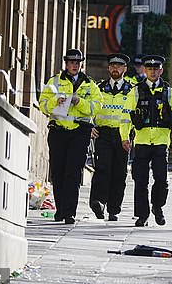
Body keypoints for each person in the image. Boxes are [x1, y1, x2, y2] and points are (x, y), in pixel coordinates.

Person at [38, 49, 103, 224]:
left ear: (81, 64)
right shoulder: (54, 82)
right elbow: (42, 104)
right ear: (66, 64)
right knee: (58, 172)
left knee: (73, 173)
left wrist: (78, 102)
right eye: (71, 62)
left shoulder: (89, 84)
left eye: (77, 62)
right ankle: (60, 210)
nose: (74, 65)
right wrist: (55, 102)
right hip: (58, 131)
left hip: (80, 132)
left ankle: (69, 213)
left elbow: (97, 107)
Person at [120, 55, 172, 226]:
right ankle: (142, 215)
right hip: (141, 142)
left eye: (156, 69)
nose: (153, 72)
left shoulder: (169, 92)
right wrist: (125, 137)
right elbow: (126, 116)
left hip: (161, 142)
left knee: (161, 180)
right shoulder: (136, 91)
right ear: (145, 70)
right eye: (149, 69)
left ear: (161, 71)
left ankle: (158, 207)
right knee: (140, 180)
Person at [89, 54, 134, 221]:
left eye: (119, 66)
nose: (115, 69)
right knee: (102, 168)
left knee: (119, 173)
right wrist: (90, 125)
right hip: (103, 133)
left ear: (125, 69)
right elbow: (89, 108)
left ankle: (114, 209)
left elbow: (137, 113)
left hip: (123, 135)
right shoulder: (98, 88)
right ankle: (98, 202)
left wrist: (131, 134)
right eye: (112, 66)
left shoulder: (132, 91)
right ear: (108, 68)